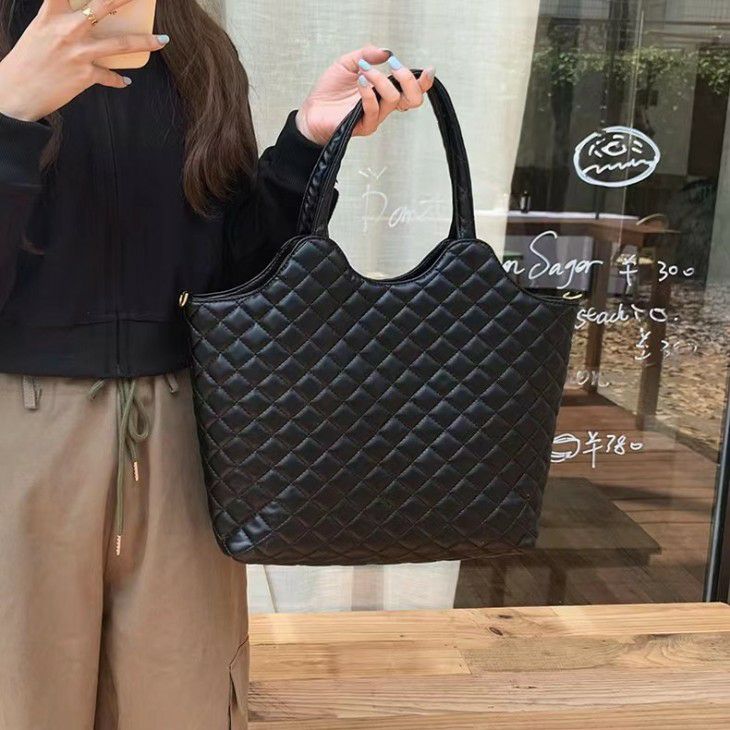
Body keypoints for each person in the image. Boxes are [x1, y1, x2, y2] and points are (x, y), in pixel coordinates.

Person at [0, 0, 435, 727]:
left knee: (185, 702)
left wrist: (306, 143)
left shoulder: (195, 52)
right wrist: (9, 114)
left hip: (184, 436)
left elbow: (237, 283)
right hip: (17, 437)